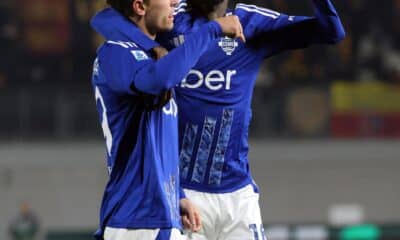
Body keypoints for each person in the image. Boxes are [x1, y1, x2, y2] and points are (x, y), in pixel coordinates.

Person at [159, 0, 346, 239]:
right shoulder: (170, 18)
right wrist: (149, 46)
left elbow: (332, 31)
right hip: (183, 194)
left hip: (238, 197)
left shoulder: (249, 21)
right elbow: (116, 21)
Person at [90, 0, 245, 239]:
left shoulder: (148, 56)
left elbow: (159, 145)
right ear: (140, 7)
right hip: (138, 219)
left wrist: (178, 195)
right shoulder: (116, 52)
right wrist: (212, 30)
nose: (175, 1)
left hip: (153, 216)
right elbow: (156, 80)